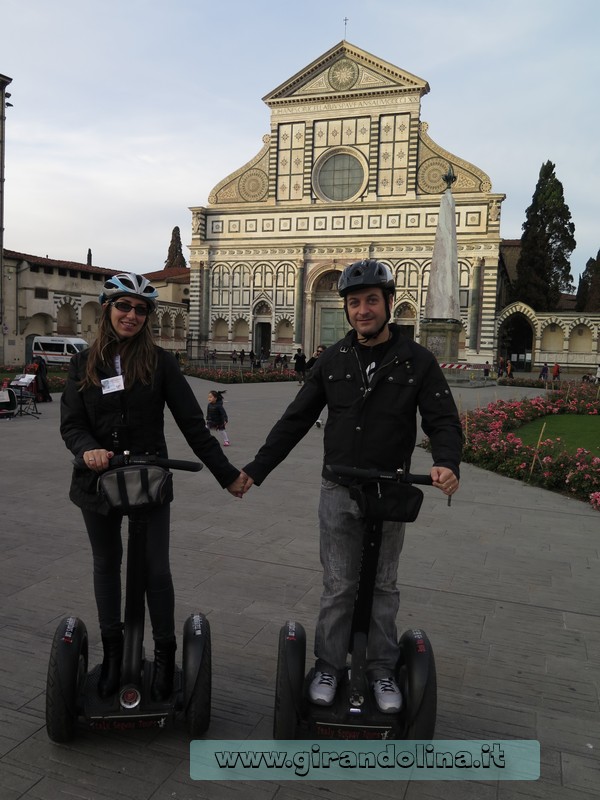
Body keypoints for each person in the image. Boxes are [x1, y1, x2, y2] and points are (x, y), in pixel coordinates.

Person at [239, 260, 462, 714]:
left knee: (382, 585)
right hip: (338, 488)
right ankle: (328, 665)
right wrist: (255, 470)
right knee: (339, 584)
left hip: (390, 490)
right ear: (346, 308)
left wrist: (445, 462)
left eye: (371, 301)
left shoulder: (417, 360)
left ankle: (381, 667)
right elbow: (296, 419)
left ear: (387, 303)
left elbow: (443, 418)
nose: (363, 310)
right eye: (355, 302)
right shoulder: (333, 359)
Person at [60, 273, 246, 703]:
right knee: (107, 564)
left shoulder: (161, 363)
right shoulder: (83, 362)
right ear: (107, 309)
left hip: (148, 477)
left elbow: (194, 427)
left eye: (141, 310)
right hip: (97, 481)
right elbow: (72, 424)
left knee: (156, 571)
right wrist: (88, 449)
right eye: (124, 307)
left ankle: (164, 657)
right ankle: (111, 657)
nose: (132, 316)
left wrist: (227, 474)